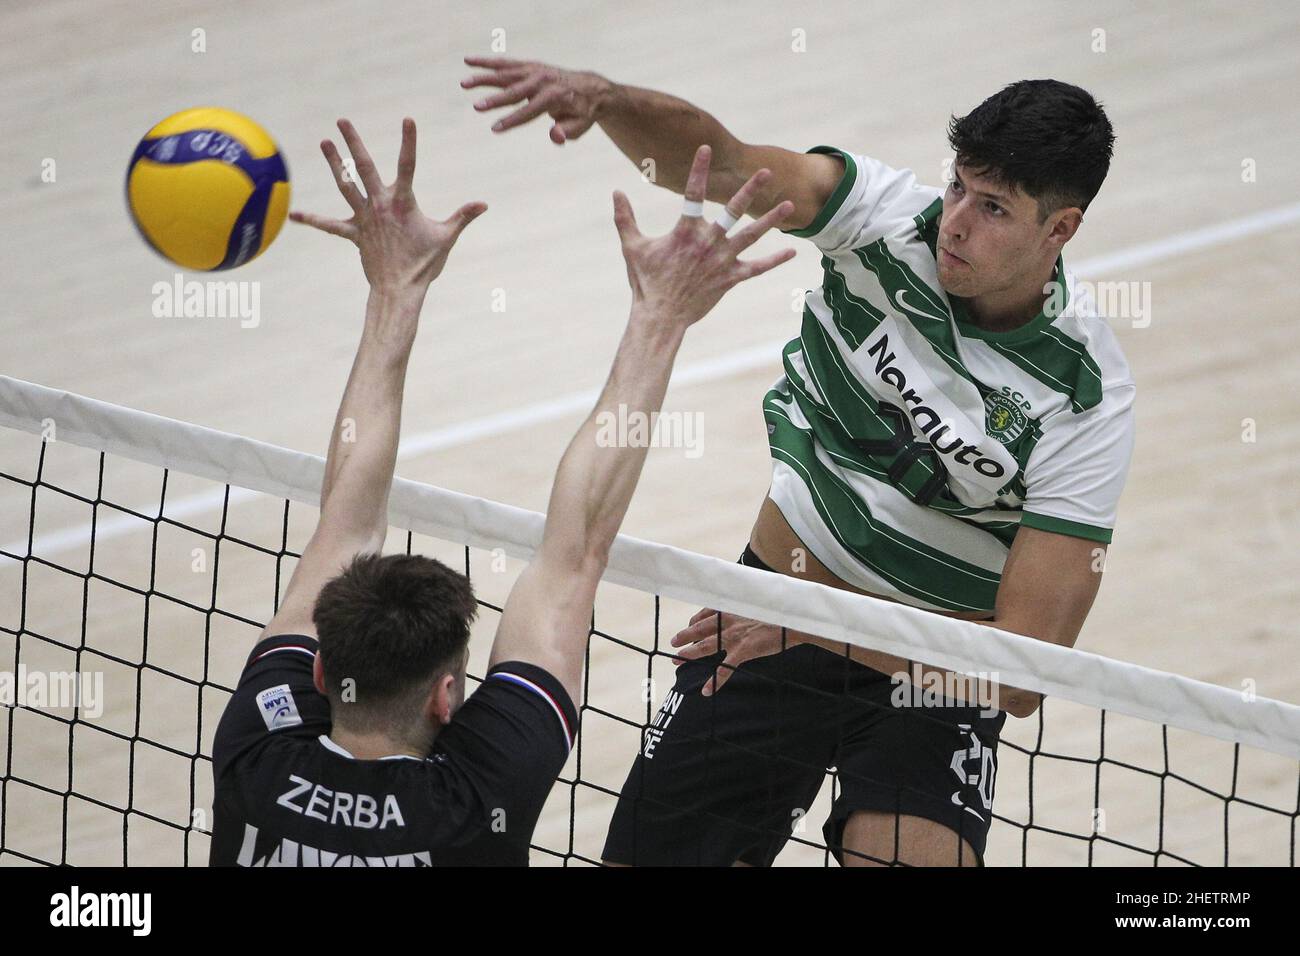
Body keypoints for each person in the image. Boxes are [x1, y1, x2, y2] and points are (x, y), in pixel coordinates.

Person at [463, 59, 1135, 866]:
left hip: (933, 674)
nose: (955, 222)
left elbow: (1021, 671)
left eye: (993, 208)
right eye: (958, 186)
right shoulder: (886, 220)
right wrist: (607, 101)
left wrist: (824, 623)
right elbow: (726, 160)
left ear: (1059, 229)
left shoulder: (1084, 397)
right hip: (766, 618)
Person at [207, 115, 795, 866]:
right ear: (445, 701)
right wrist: (662, 315)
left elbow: (344, 527)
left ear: (320, 673)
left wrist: (394, 287)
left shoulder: (258, 746)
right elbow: (573, 552)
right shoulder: (478, 789)